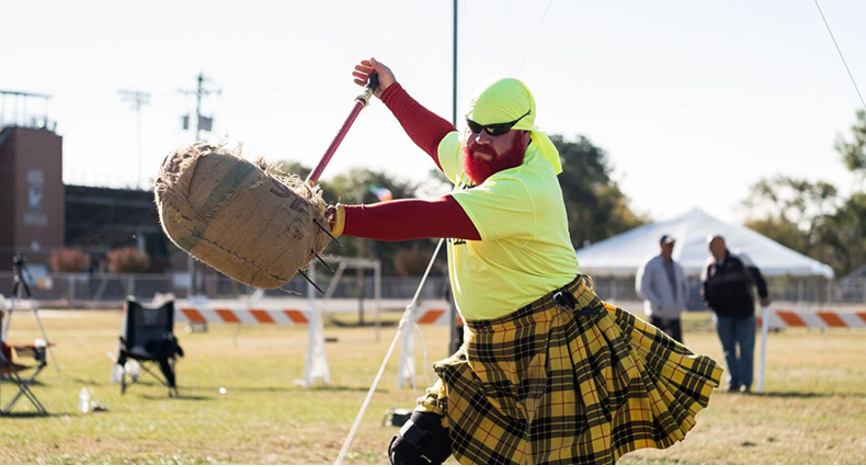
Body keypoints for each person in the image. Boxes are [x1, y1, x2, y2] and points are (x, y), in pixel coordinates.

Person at [327, 58, 722, 465]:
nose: (478, 140)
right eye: (473, 127)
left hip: (549, 343)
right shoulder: (477, 161)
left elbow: (431, 216)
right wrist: (390, 91)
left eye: (494, 131)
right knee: (411, 452)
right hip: (486, 348)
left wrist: (338, 219)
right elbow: (438, 138)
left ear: (524, 132)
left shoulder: (526, 188)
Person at [701, 235, 770, 394]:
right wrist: (712, 306)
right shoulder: (709, 265)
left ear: (723, 245)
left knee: (746, 349)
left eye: (716, 246)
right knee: (728, 350)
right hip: (722, 316)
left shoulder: (740, 258)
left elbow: (757, 277)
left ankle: (746, 383)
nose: (712, 250)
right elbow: (705, 289)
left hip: (744, 314)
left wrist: (764, 295)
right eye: (710, 247)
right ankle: (734, 381)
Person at [635, 234, 688, 342]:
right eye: (668, 245)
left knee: (678, 348)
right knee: (656, 347)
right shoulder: (651, 263)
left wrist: (681, 304)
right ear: (660, 245)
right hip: (657, 316)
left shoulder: (677, 265)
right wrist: (659, 304)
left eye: (672, 245)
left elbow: (684, 287)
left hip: (674, 316)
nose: (670, 248)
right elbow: (643, 288)